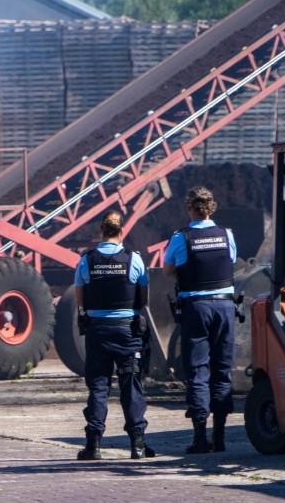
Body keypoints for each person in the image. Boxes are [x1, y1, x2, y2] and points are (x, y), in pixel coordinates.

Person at [73, 212, 154, 460]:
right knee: (131, 385)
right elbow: (144, 297)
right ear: (121, 233)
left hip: (97, 330)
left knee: (98, 386)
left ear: (101, 230)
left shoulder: (86, 261)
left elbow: (80, 297)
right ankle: (138, 445)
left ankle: (94, 446)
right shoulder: (134, 260)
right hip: (127, 330)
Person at [164, 186, 239, 454]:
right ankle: (220, 437)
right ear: (211, 208)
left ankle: (199, 437)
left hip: (196, 308)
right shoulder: (226, 234)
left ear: (189, 208)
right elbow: (229, 261)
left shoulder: (181, 238)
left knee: (197, 371)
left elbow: (168, 269)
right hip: (225, 307)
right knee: (222, 370)